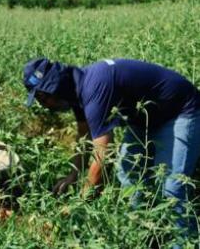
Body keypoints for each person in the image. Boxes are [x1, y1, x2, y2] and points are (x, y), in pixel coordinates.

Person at [23, 57, 200, 238]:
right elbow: (84, 136)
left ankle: (185, 240)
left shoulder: (94, 87)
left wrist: (79, 203)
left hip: (181, 111)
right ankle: (141, 232)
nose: (42, 105)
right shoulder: (76, 91)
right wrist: (74, 174)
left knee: (172, 187)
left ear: (53, 88)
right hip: (144, 119)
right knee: (128, 172)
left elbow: (103, 155)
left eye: (41, 98)